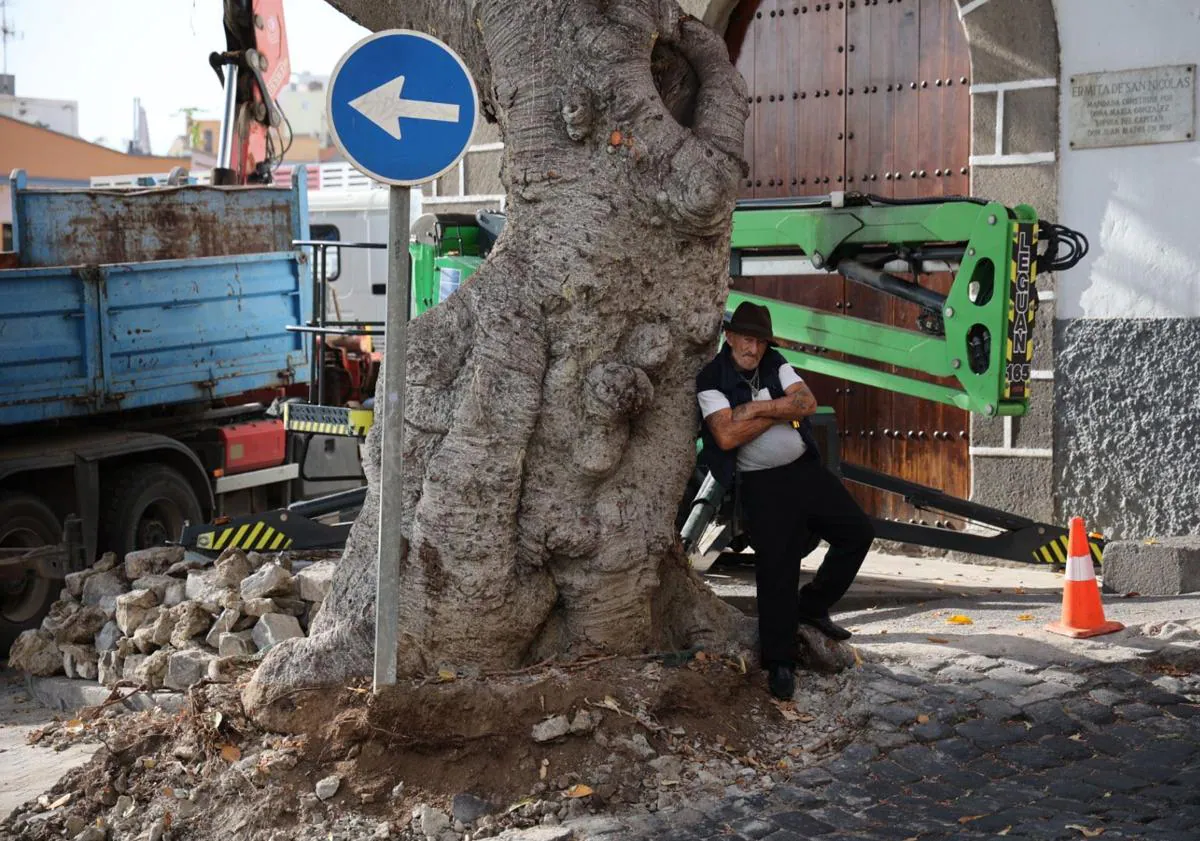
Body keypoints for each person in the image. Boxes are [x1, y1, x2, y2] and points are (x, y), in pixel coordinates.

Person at [695, 301, 874, 700]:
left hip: (804, 469)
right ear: (729, 337)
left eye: (759, 341)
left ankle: (812, 605)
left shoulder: (775, 362)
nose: (753, 348)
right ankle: (779, 662)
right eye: (746, 338)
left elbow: (806, 402)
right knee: (777, 566)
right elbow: (724, 436)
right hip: (762, 484)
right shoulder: (712, 378)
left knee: (858, 532)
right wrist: (782, 411)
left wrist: (757, 409)